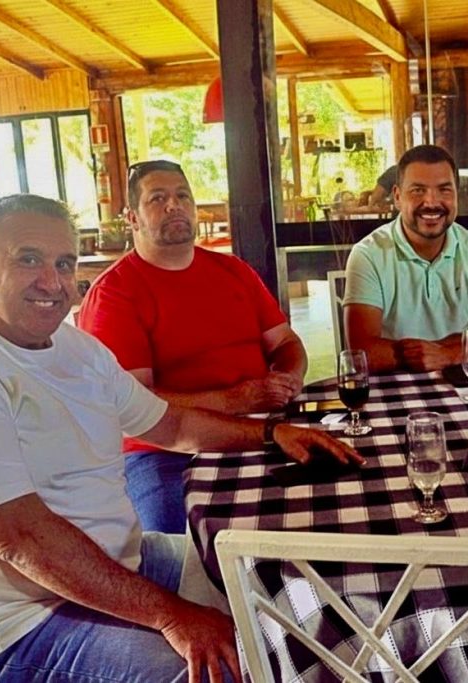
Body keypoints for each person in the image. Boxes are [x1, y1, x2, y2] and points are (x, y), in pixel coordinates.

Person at [0, 194, 362, 683]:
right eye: (28, 259)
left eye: (64, 263)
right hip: (11, 629)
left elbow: (171, 426)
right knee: (223, 671)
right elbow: (23, 539)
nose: (52, 282)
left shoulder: (77, 349)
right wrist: (172, 615)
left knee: (282, 586)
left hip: (119, 559)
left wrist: (270, 432)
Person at [78, 159, 308, 534]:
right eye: (157, 198)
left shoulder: (233, 271)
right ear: (132, 218)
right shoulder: (115, 294)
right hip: (164, 453)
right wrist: (236, 400)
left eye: (183, 196)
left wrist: (287, 377)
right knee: (181, 547)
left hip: (262, 428)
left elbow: (285, 342)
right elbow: (134, 402)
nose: (174, 205)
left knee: (320, 504)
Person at [344, 145, 468, 373]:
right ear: (397, 196)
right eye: (418, 190)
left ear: (456, 195)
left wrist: (448, 354)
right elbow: (363, 353)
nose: (431, 202)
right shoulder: (368, 254)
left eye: (444, 190)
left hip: (454, 377)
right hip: (389, 383)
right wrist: (448, 349)